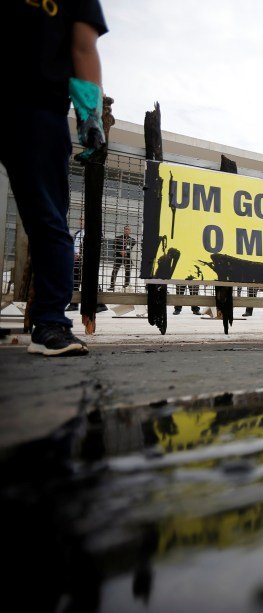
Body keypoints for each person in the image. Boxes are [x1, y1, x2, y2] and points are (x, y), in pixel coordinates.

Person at [0, 1, 107, 356]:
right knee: (49, 223)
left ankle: (50, 323)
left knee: (48, 222)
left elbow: (83, 46)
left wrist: (90, 114)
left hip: (38, 103)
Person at [66, 215, 85, 311]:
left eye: (83, 220)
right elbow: (74, 245)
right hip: (76, 260)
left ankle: (100, 304)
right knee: (75, 282)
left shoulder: (91, 232)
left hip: (83, 260)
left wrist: (80, 254)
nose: (81, 222)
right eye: (80, 220)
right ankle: (74, 304)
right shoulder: (78, 233)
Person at [109, 224, 135, 291]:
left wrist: (126, 252)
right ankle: (112, 286)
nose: (127, 230)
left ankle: (126, 285)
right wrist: (120, 251)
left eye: (128, 229)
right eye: (125, 229)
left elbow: (132, 249)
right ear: (123, 230)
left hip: (127, 257)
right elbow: (114, 247)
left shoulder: (132, 240)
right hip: (118, 257)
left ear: (130, 231)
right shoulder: (118, 238)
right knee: (114, 271)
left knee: (128, 271)